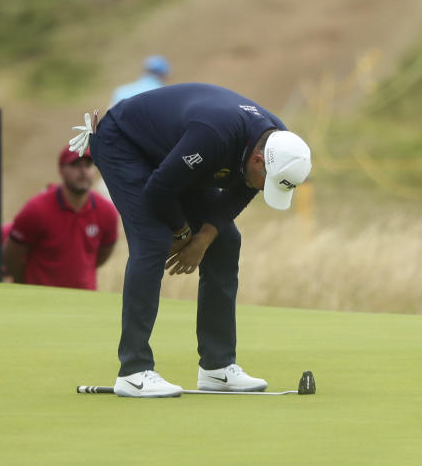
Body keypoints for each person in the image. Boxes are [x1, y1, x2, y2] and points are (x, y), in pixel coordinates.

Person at [68, 83, 311, 397]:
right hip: (124, 144)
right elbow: (159, 189)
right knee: (153, 239)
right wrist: (183, 233)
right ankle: (133, 371)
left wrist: (203, 239)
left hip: (176, 155)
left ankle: (217, 367)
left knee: (224, 241)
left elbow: (241, 191)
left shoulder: (278, 141)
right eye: (269, 182)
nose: (266, 190)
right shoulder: (217, 136)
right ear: (257, 161)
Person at [2, 146, 119, 290]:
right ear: (61, 170)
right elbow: (11, 257)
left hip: (83, 301)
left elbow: (101, 257)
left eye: (88, 165)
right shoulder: (36, 209)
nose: (83, 171)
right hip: (38, 300)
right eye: (75, 165)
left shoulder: (107, 212)